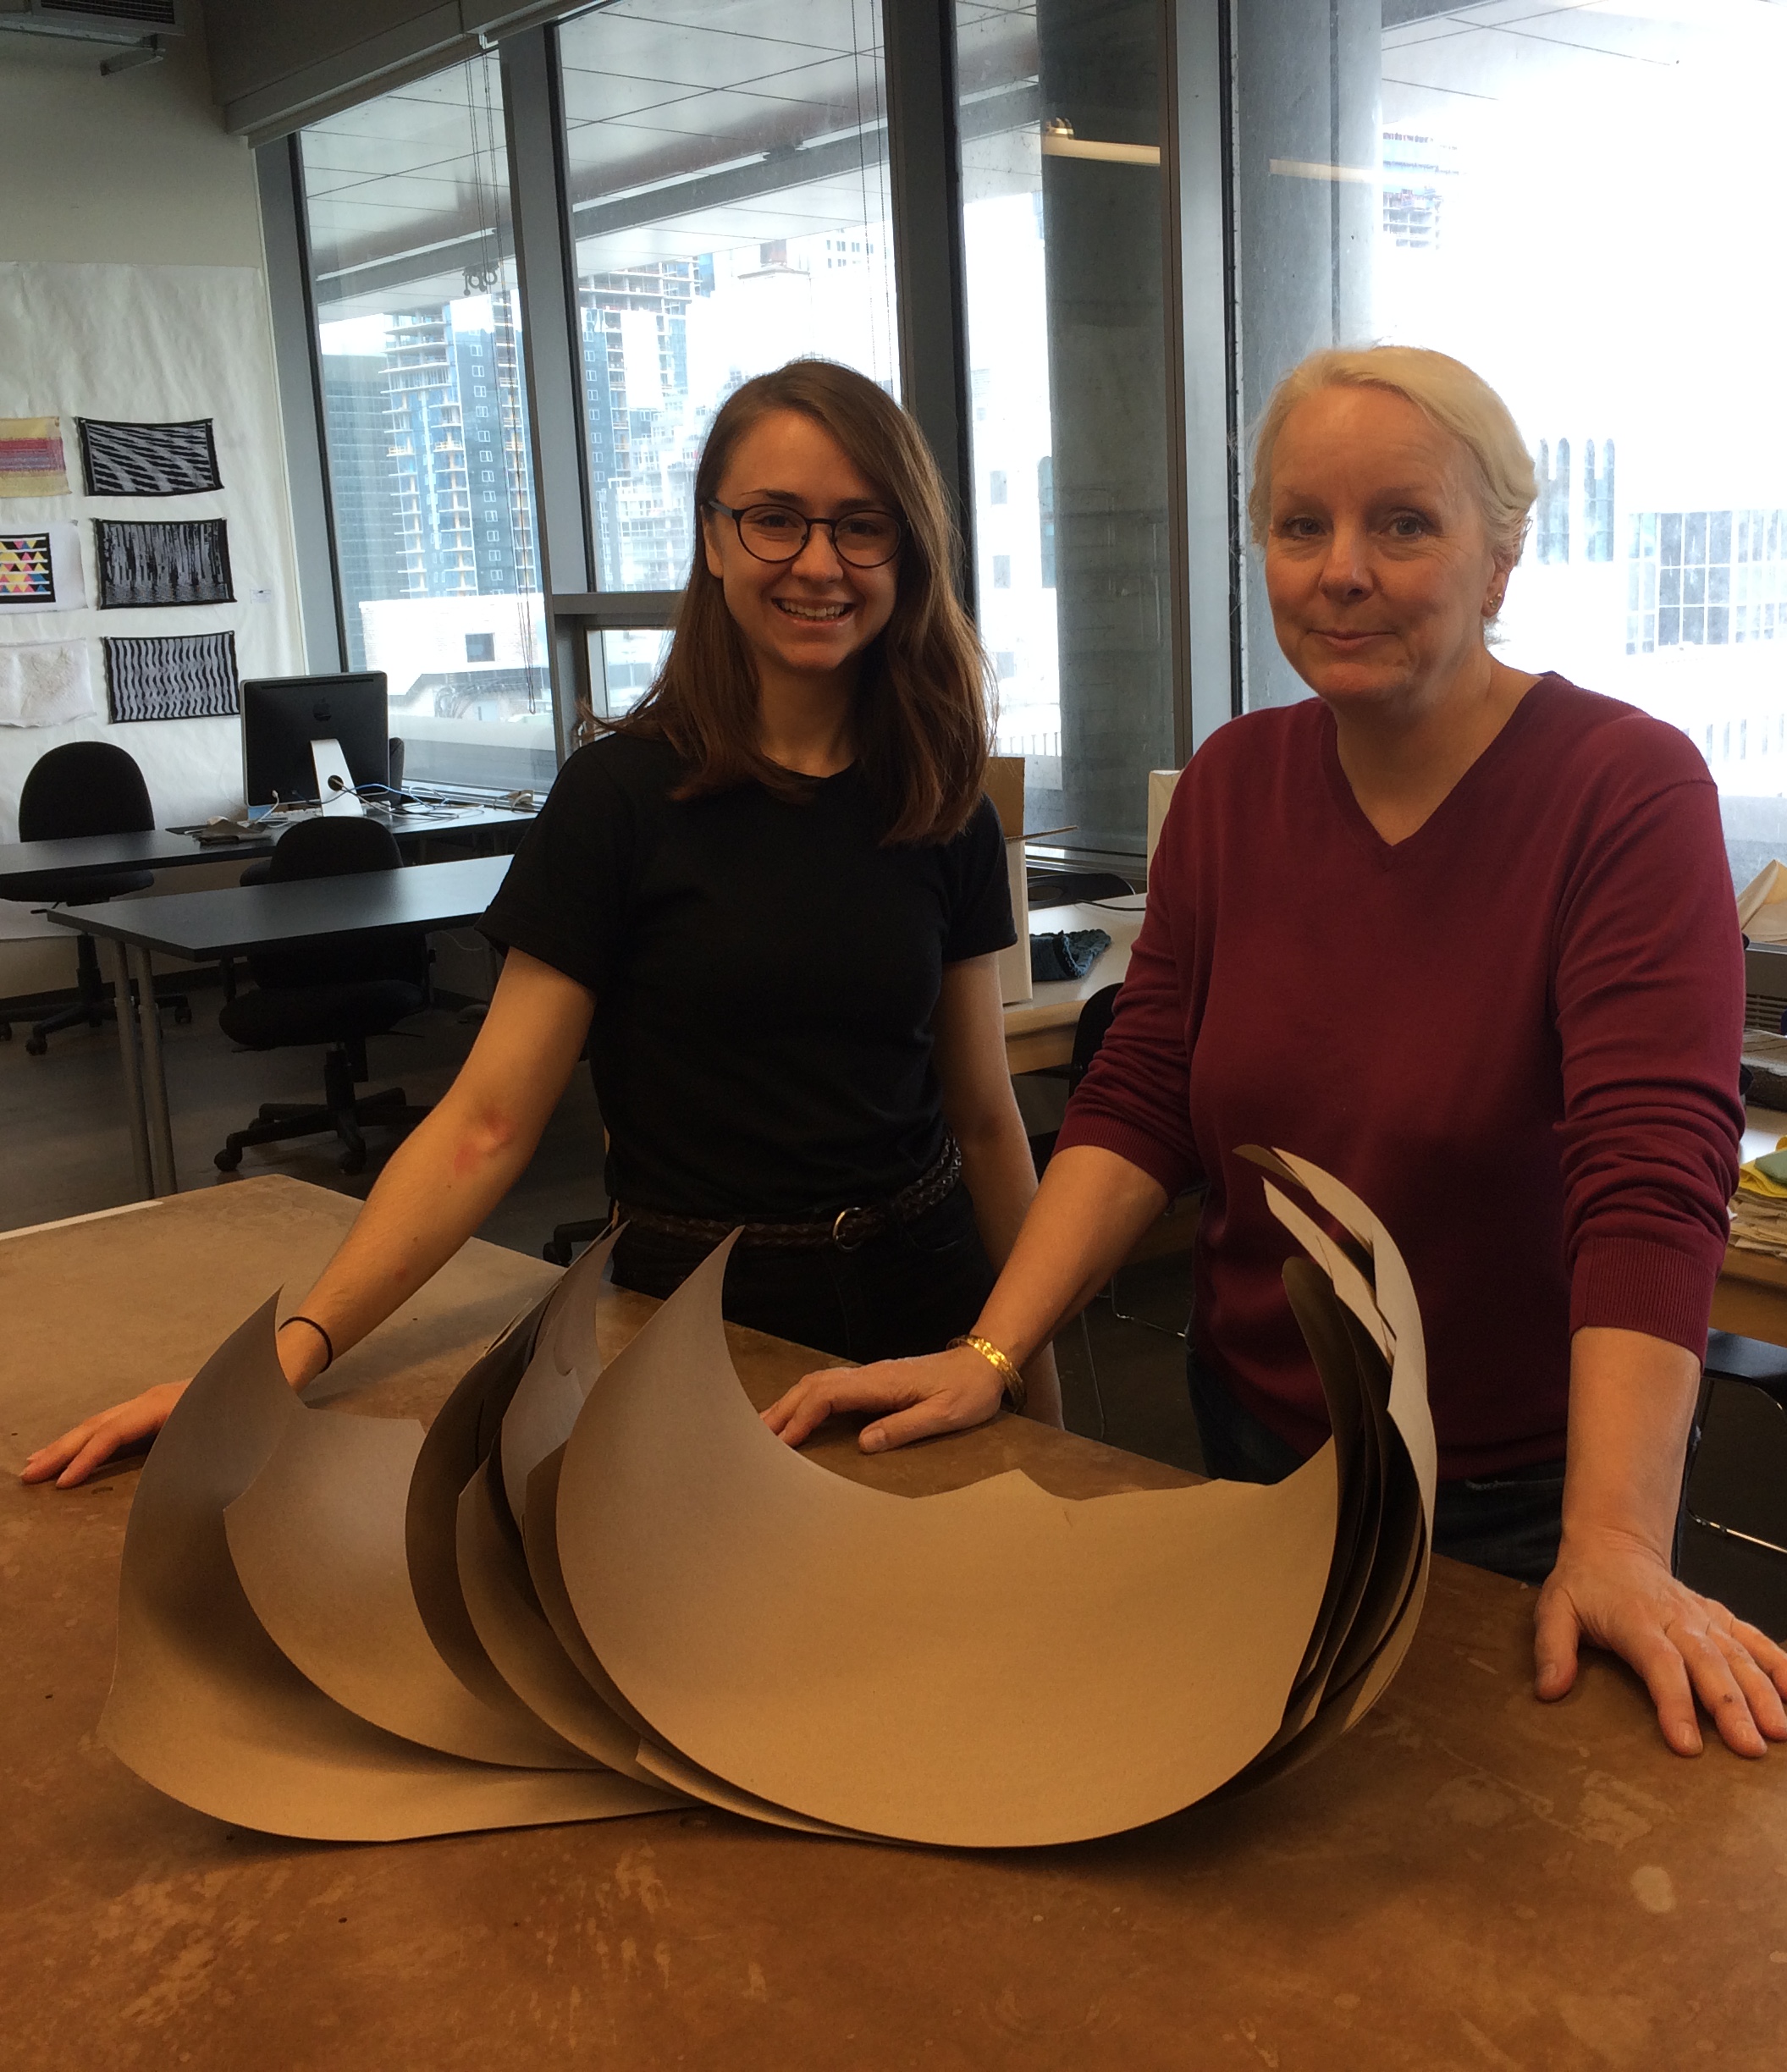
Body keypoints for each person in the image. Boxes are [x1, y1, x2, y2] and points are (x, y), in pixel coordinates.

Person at [760, 344, 1787, 1761]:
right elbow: (1143, 1098)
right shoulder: (1235, 784)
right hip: (1255, 1433)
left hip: (1516, 1491)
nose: (1342, 571)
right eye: (1302, 525)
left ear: (1501, 560)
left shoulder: (1622, 788)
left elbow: (1651, 1177)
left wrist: (1617, 1540)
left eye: (1405, 524)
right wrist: (990, 1351)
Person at [26, 357, 1058, 1490]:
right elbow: (485, 1125)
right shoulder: (620, 800)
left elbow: (984, 1121)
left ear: (906, 553)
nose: (820, 562)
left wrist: (1029, 1378)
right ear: (714, 539)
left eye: (862, 526)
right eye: (776, 519)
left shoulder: (940, 801)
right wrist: (283, 1355)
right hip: (706, 1323)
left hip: (926, 1304)